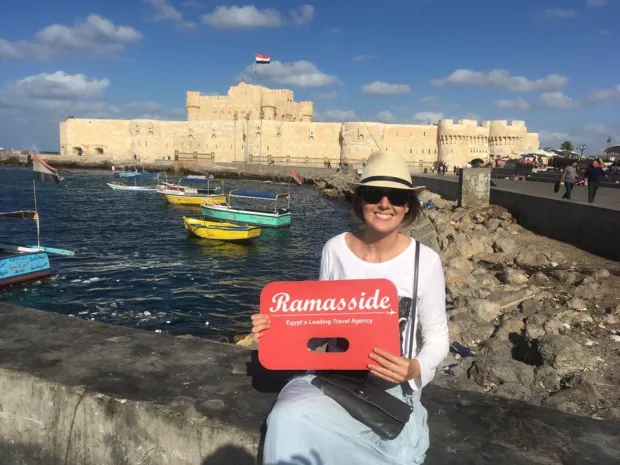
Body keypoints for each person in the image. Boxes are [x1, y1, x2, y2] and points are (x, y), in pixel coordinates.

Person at [252, 150, 450, 465]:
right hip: (335, 380)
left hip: (390, 389)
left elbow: (438, 336)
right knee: (287, 417)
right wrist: (276, 328)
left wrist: (414, 369)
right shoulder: (335, 249)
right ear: (360, 201)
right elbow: (316, 325)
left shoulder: (424, 262)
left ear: (408, 206)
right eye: (374, 194)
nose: (385, 204)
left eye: (397, 197)